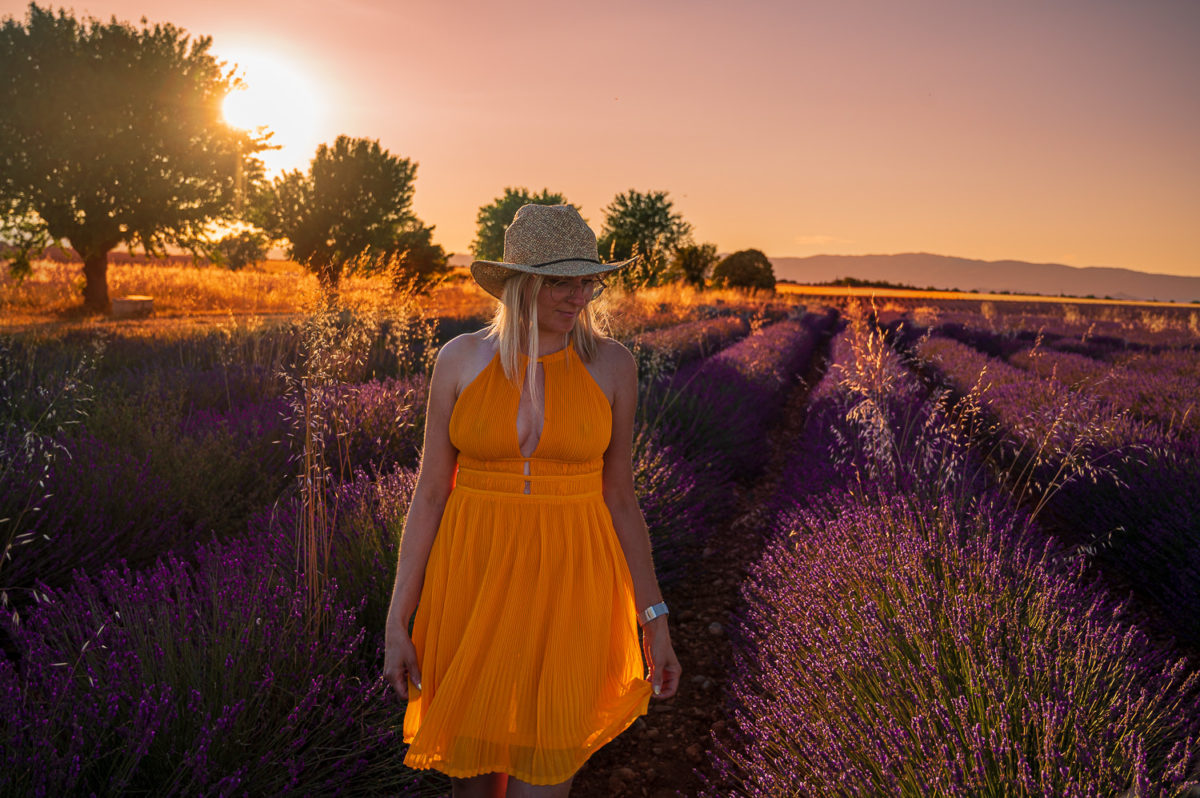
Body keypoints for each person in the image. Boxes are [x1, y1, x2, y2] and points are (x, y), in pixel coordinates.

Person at [383, 203, 682, 797]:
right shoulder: (460, 360)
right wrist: (398, 618)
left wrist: (656, 620)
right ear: (521, 285)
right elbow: (429, 496)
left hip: (574, 585)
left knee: (539, 780)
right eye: (561, 283)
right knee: (473, 784)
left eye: (587, 281)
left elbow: (621, 498)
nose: (580, 297)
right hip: (472, 582)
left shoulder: (613, 366)